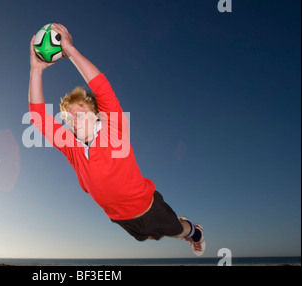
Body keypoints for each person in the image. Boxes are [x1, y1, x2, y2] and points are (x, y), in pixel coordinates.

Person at [28, 23, 205, 256]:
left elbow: (101, 88)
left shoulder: (113, 128)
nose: (74, 120)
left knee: (173, 229)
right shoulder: (72, 147)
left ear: (96, 115)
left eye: (79, 113)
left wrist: (70, 50)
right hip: (119, 218)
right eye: (69, 118)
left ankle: (194, 231)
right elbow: (38, 117)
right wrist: (36, 69)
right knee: (148, 236)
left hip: (148, 207)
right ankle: (162, 232)